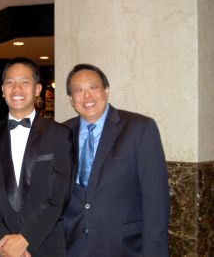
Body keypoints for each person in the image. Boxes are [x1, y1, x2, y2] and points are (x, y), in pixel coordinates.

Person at [63, 63, 169, 257]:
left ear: (106, 91)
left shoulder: (140, 128)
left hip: (124, 247)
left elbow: (156, 199)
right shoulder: (61, 133)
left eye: (93, 88)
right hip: (72, 246)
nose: (87, 96)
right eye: (79, 90)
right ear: (71, 99)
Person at [0, 57, 73, 257]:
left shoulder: (60, 134)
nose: (16, 89)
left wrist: (26, 239)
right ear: (2, 90)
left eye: (24, 82)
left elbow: (59, 195)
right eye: (10, 82)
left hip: (45, 243)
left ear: (37, 89)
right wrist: (6, 242)